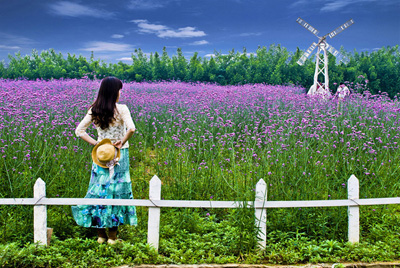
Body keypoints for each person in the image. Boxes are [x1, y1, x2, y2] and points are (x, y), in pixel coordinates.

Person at [71, 76, 137, 244]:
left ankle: (101, 237)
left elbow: (79, 131)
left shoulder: (95, 109)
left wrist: (97, 144)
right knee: (117, 192)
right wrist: (121, 141)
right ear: (115, 91)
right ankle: (113, 238)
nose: (121, 93)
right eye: (120, 90)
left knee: (99, 190)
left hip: (101, 155)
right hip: (119, 155)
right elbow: (132, 128)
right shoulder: (122, 109)